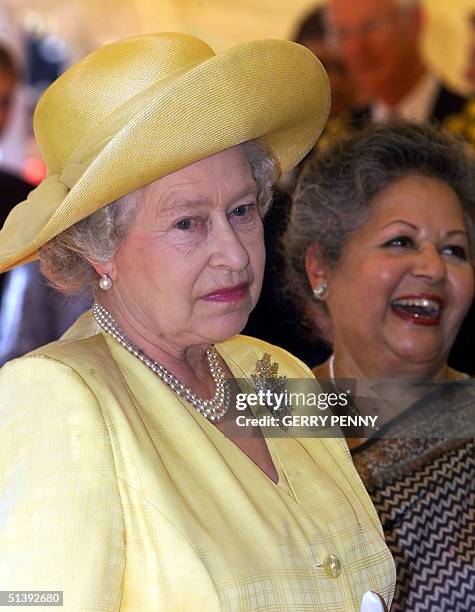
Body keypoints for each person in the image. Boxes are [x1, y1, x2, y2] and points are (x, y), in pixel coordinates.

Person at [0, 33, 395, 610]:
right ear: (97, 245)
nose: (234, 255)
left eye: (241, 211)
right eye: (188, 223)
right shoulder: (60, 399)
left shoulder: (275, 373)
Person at [283, 121, 475, 612]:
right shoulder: (262, 417)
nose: (433, 268)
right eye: (401, 242)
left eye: (455, 250)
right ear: (321, 268)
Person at [327, 0, 467, 124]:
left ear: (415, 22)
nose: (356, 48)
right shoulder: (341, 137)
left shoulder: (467, 122)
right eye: (343, 34)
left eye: (371, 27)